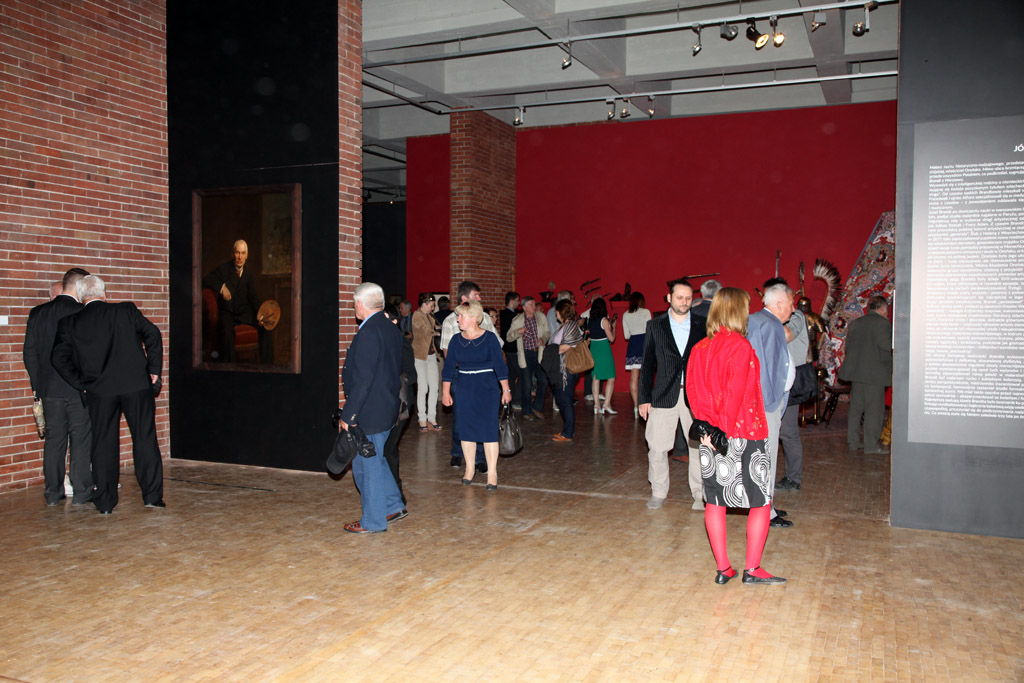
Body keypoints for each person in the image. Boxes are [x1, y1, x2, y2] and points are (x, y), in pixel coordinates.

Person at [686, 287, 786, 585]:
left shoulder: (699, 347)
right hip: (743, 432)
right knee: (760, 502)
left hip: (709, 435)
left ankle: (724, 568)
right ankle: (753, 569)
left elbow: (692, 392)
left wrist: (708, 428)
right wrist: (725, 431)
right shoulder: (740, 346)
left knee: (715, 501)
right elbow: (735, 394)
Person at [50, 275, 164, 514]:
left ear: (81, 298)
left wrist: (80, 383)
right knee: (144, 438)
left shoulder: (70, 323)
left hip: (99, 390)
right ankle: (152, 497)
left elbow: (58, 358)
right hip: (136, 385)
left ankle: (104, 502)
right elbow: (153, 334)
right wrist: (153, 370)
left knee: (103, 443)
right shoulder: (126, 311)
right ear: (104, 293)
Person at [23, 268, 95, 506]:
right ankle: (82, 492)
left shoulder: (38, 313)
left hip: (48, 390)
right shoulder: (82, 313)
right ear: (80, 286)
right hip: (77, 388)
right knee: (81, 439)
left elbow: (29, 353)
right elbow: (88, 354)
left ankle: (53, 493)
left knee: (54, 441)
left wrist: (38, 386)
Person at [337, 282, 406, 534]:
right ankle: (393, 505)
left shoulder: (369, 331)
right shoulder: (390, 327)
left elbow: (364, 379)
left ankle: (373, 521)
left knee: (366, 467)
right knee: (376, 459)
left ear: (359, 304)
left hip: (370, 410)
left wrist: (349, 414)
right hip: (387, 406)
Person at [637, 279, 707, 510]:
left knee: (697, 447)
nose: (684, 302)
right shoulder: (655, 325)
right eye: (679, 297)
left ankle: (700, 494)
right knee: (657, 447)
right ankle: (658, 491)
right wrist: (643, 398)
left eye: (688, 298)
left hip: (695, 397)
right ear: (669, 298)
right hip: (663, 395)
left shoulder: (702, 324)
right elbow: (647, 365)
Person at [441, 300, 511, 490]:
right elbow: (448, 368)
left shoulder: (489, 338)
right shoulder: (456, 340)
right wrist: (446, 391)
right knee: (466, 430)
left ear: (474, 318)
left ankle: (492, 472)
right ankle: (469, 469)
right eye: (458, 316)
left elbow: (500, 365)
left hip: (487, 388)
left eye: (461, 316)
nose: (458, 319)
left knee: (489, 431)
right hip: (464, 388)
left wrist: (506, 389)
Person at [746, 280, 796, 528]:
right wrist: (767, 403)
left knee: (767, 457)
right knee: (766, 458)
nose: (793, 309)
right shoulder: (765, 323)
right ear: (779, 303)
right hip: (766, 404)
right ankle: (765, 511)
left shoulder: (766, 322)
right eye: (791, 304)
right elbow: (759, 368)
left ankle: (768, 506)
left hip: (771, 401)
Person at [440, 281, 500, 470]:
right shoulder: (450, 321)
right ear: (464, 298)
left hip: (484, 376)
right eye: (476, 295)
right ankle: (458, 453)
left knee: (483, 417)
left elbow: (496, 344)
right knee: (461, 417)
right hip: (461, 374)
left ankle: (480, 458)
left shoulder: (485, 318)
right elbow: (447, 353)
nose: (480, 298)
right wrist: (468, 362)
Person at [202, 239, 272, 363]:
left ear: (247, 255)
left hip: (244, 313)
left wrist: (261, 313)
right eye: (237, 253)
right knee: (227, 334)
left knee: (265, 327)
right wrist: (222, 288)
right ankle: (230, 368)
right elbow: (206, 279)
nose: (239, 257)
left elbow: (253, 298)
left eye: (243, 253)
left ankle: (267, 366)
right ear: (233, 253)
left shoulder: (248, 274)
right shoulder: (224, 269)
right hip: (228, 312)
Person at [839, 295, 893, 454]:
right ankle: (871, 445)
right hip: (875, 375)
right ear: (882, 309)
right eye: (887, 311)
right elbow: (886, 346)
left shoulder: (856, 323)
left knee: (856, 409)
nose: (887, 314)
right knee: (874, 411)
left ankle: (853, 441)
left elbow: (848, 347)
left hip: (856, 373)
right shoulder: (882, 323)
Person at [382, 303, 417, 504]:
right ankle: (389, 494)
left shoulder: (400, 343)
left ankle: (396, 495)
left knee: (388, 448)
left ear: (394, 321)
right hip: (384, 403)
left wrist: (393, 380)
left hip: (399, 403)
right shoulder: (379, 341)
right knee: (385, 449)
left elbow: (411, 375)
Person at [776, 300, 809, 492]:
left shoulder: (796, 317)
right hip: (779, 381)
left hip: (791, 382)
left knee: (788, 432)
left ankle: (794, 478)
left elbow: (786, 336)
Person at [506, 295, 550, 420]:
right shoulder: (518, 320)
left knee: (544, 381)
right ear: (524, 307)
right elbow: (509, 337)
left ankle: (537, 407)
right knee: (527, 384)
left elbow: (547, 332)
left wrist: (543, 339)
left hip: (539, 353)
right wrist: (518, 332)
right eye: (531, 304)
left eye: (534, 304)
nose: (534, 306)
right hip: (526, 354)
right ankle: (527, 410)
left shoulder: (541, 317)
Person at [551, 299, 584, 442]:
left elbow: (567, 346)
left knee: (565, 400)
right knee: (560, 399)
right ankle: (568, 429)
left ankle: (568, 433)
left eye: (557, 311)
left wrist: (550, 352)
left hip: (567, 369)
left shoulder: (571, 326)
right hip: (561, 368)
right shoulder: (564, 326)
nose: (556, 314)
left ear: (562, 312)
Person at [411, 292, 441, 431]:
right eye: (431, 305)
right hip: (419, 356)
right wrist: (438, 333)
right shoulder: (417, 316)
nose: (433, 308)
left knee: (434, 387)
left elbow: (433, 329)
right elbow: (426, 331)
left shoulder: (429, 316)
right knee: (423, 388)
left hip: (431, 355)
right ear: (424, 304)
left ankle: (432, 418)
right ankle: (422, 418)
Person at [621, 291, 651, 419]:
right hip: (644, 343)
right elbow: (650, 330)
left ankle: (635, 406)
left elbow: (626, 335)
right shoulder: (646, 312)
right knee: (646, 376)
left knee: (634, 377)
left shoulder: (625, 314)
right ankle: (646, 404)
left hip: (633, 344)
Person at [587, 297, 617, 414]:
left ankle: (596, 405)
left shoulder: (590, 320)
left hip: (594, 348)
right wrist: (614, 327)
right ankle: (606, 404)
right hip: (604, 348)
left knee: (595, 377)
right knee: (611, 377)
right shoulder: (604, 320)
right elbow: (611, 339)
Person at [499, 291, 521, 409]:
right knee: (521, 374)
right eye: (517, 301)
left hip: (507, 348)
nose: (519, 303)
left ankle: (510, 399)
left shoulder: (504, 314)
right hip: (512, 348)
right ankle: (516, 400)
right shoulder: (512, 316)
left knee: (511, 375)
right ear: (512, 301)